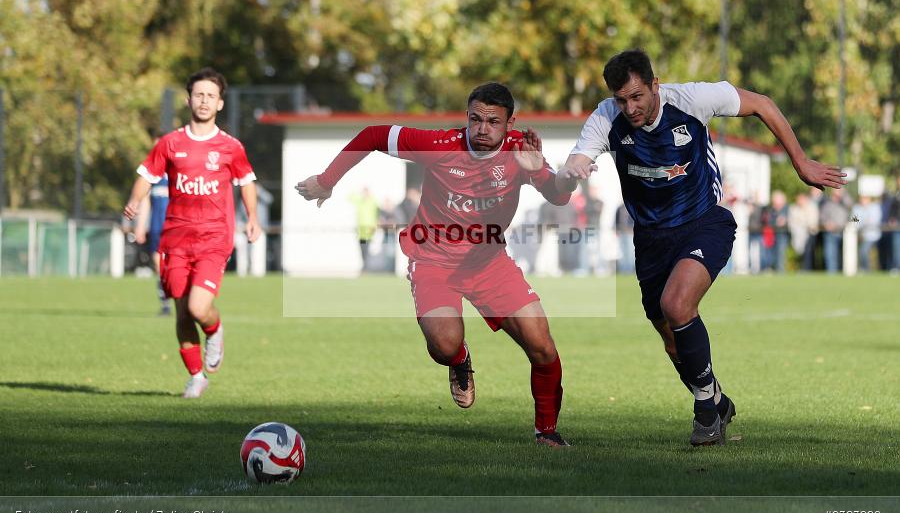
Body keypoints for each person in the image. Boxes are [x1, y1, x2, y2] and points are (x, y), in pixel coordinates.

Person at [558, 49, 845, 446]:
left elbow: (762, 104)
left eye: (637, 96)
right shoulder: (607, 118)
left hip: (704, 222)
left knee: (677, 305)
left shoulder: (692, 99)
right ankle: (715, 399)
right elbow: (575, 162)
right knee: (670, 337)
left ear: (655, 85)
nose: (630, 107)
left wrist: (800, 162)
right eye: (622, 100)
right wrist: (570, 171)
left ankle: (706, 414)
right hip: (651, 239)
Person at [296, 82, 578, 446]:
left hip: (489, 262)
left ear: (510, 123)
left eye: (493, 121)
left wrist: (547, 173)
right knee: (445, 344)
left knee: (542, 345)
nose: (482, 128)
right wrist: (326, 181)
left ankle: (547, 432)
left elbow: (558, 197)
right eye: (475, 119)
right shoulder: (441, 145)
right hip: (433, 262)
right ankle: (459, 360)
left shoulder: (520, 149)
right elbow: (374, 135)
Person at [123, 68, 261, 399]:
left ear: (220, 103)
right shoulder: (169, 143)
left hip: (214, 237)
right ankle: (196, 376)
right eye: (199, 95)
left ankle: (215, 330)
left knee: (199, 308)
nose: (204, 101)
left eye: (211, 96)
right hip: (176, 239)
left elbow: (246, 182)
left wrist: (252, 217)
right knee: (183, 311)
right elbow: (146, 174)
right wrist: (135, 200)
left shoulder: (230, 147)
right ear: (188, 100)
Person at [134, 173, 171, 315]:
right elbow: (145, 201)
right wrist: (140, 226)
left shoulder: (179, 171)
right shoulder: (154, 174)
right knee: (159, 264)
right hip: (157, 226)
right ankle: (165, 304)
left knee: (176, 266)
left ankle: (184, 301)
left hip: (176, 227)